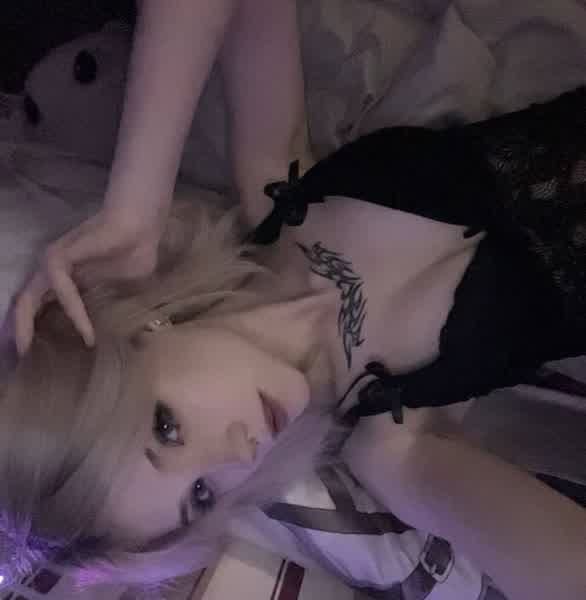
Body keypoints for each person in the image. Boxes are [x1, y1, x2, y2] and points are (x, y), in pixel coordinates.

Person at [2, 1, 586, 599]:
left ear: (140, 328)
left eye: (168, 427)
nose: (235, 454)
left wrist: (136, 207)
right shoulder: (390, 445)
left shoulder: (276, 194)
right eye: (201, 495)